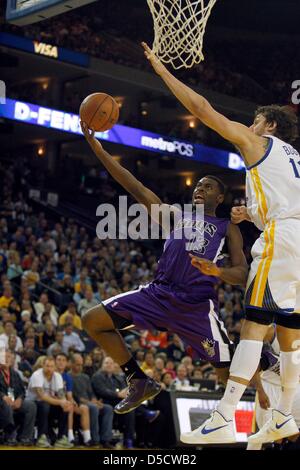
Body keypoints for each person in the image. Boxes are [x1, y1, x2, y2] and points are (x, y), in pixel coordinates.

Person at [141, 42, 300, 445]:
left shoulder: (259, 144)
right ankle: (284, 414)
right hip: (296, 240)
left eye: (255, 120)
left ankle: (225, 416)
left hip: (283, 241)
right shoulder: (293, 157)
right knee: (288, 333)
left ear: (271, 127)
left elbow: (204, 110)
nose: (249, 126)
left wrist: (163, 73)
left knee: (253, 325)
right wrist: (257, 216)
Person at [81, 122, 248, 415]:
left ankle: (237, 423)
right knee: (92, 320)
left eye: (207, 187)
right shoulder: (176, 215)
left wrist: (217, 271)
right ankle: (138, 380)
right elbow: (135, 187)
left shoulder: (227, 228)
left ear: (220, 198)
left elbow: (242, 274)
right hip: (158, 294)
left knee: (226, 369)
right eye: (198, 185)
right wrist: (99, 150)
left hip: (195, 305)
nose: (200, 188)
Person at [26, 356, 73, 448]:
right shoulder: (37, 375)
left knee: (66, 407)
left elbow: (61, 395)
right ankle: (41, 438)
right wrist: (60, 402)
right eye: (47, 366)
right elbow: (42, 396)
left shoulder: (57, 376)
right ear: (42, 365)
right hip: (33, 403)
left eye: (51, 366)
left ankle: (62, 438)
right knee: (45, 405)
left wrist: (65, 403)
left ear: (54, 367)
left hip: (49, 403)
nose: (49, 369)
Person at [70, 353, 114, 448]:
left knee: (108, 408)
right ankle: (94, 439)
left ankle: (105, 439)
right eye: (78, 364)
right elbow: (76, 397)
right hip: (79, 404)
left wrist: (95, 401)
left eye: (81, 364)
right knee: (93, 408)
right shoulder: (69, 377)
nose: (80, 367)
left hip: (89, 402)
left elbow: (91, 393)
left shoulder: (85, 377)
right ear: (71, 364)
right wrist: (91, 403)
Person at [55, 353, 92, 446]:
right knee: (70, 406)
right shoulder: (53, 374)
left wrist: (73, 401)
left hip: (64, 401)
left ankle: (87, 438)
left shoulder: (67, 377)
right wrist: (68, 402)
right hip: (54, 401)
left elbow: (69, 395)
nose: (61, 362)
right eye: (59, 360)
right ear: (55, 361)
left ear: (66, 363)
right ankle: (70, 436)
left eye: (63, 360)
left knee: (84, 408)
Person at [0, 350, 36, 445]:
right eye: (4, 357)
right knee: (6, 405)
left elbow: (22, 391)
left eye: (9, 357)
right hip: (2, 404)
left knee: (31, 406)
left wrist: (19, 399)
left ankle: (25, 437)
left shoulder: (15, 374)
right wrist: (3, 396)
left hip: (14, 402)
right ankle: (9, 436)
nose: (7, 359)